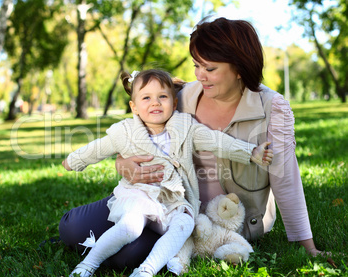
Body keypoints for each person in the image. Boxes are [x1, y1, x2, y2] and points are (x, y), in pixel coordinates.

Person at [115, 17, 324, 256]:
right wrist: (123, 164)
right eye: (197, 65)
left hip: (227, 224)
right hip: (167, 209)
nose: (200, 75)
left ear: (239, 68)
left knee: (128, 254)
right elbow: (134, 145)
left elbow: (285, 178)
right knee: (74, 228)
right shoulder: (181, 98)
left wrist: (308, 247)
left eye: (210, 68)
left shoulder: (271, 108)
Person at [61, 69, 272, 277]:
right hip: (138, 195)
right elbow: (97, 148)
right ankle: (87, 266)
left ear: (173, 102)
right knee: (131, 226)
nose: (155, 103)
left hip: (172, 201)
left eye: (162, 97)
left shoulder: (186, 128)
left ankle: (146, 271)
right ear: (134, 106)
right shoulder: (124, 131)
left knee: (185, 223)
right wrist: (73, 161)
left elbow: (216, 141)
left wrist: (250, 152)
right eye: (146, 98)